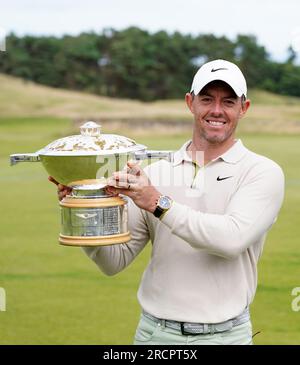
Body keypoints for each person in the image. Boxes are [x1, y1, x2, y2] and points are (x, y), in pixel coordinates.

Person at [51, 59, 285, 345]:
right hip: (154, 335)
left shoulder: (262, 172)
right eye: (207, 99)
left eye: (228, 102)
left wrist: (158, 203)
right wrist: (89, 206)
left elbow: (230, 239)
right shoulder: (155, 173)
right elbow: (114, 261)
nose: (216, 110)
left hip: (225, 337)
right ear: (190, 102)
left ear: (243, 108)